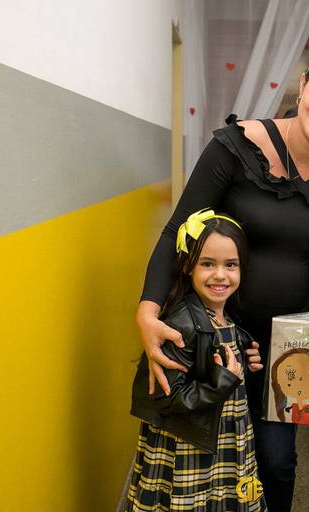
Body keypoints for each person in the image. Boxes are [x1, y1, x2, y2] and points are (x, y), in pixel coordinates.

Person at [135, 43, 309, 511]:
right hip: (215, 336)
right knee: (202, 462)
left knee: (276, 464)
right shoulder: (238, 148)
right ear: (303, 87)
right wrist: (147, 311)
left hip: (284, 350)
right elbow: (176, 230)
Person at [127, 211, 266, 511]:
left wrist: (244, 363)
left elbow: (215, 368)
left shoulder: (226, 316)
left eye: (230, 265)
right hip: (189, 445)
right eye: (207, 264)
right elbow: (169, 396)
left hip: (223, 436)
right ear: (188, 267)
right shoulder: (179, 326)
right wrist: (224, 382)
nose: (220, 275)